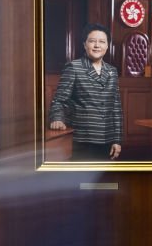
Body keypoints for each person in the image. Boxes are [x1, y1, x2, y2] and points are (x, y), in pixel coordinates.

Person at [48, 23, 123, 161]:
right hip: (83, 138)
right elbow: (59, 100)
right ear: (84, 44)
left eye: (102, 42)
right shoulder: (74, 67)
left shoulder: (112, 71)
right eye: (92, 41)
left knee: (104, 181)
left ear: (107, 46)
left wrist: (117, 140)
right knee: (83, 182)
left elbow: (116, 108)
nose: (97, 45)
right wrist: (57, 118)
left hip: (106, 138)